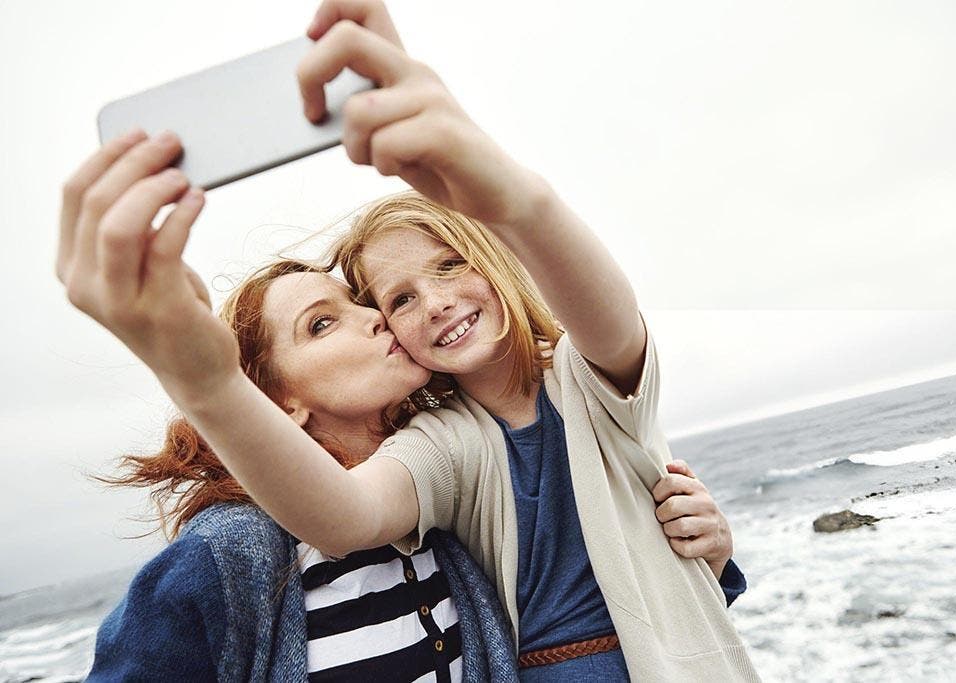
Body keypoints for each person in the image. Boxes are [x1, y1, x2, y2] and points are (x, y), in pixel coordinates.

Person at [58, 1, 755, 680]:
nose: (436, 301)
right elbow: (345, 515)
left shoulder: (587, 379)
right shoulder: (443, 442)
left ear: (491, 259)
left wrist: (509, 194)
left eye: (450, 264)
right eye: (398, 300)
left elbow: (607, 314)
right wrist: (207, 381)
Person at [82, 260, 519, 681]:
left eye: (357, 301)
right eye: (321, 324)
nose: (374, 317)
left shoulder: (435, 497)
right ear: (281, 404)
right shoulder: (231, 550)